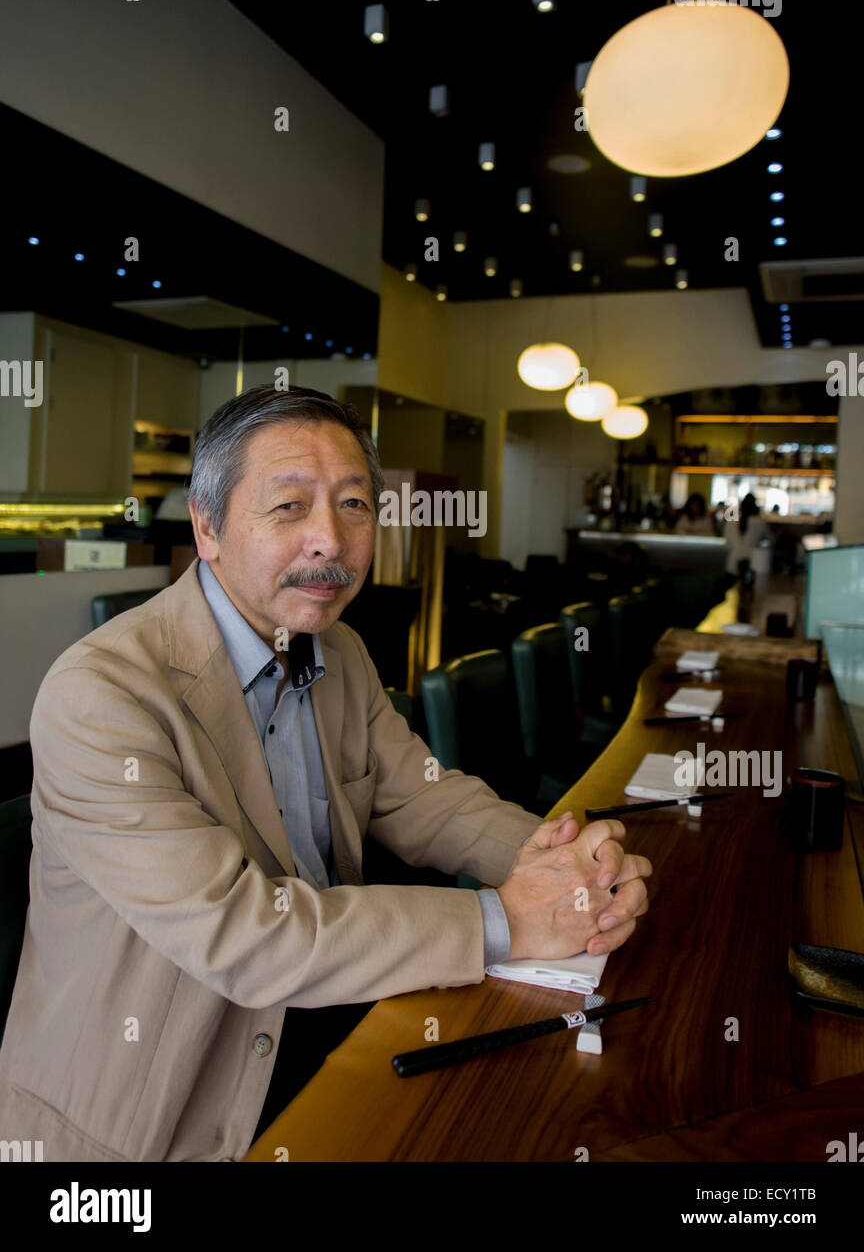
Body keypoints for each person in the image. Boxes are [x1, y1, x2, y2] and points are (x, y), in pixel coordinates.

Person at [0, 384, 651, 1162]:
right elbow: (244, 934)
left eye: (352, 505)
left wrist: (565, 864)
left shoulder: (337, 652)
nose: (330, 542)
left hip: (319, 1032)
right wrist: (506, 918)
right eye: (288, 508)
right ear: (207, 527)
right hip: (149, 1116)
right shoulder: (102, 696)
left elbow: (427, 799)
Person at [724, 492, 772, 585]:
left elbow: (726, 541)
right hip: (751, 565)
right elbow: (770, 539)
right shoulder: (759, 522)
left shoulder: (731, 520)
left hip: (731, 564)